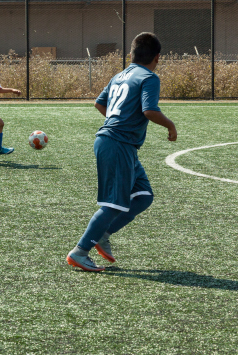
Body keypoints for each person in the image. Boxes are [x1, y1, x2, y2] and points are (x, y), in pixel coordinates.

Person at [66, 32, 177, 272]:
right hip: (117, 143)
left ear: (132, 54)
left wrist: (117, 119)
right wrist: (170, 124)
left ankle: (102, 235)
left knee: (144, 196)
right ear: (157, 57)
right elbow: (149, 110)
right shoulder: (150, 77)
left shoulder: (119, 75)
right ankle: (80, 251)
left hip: (119, 144)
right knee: (114, 205)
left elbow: (99, 103)